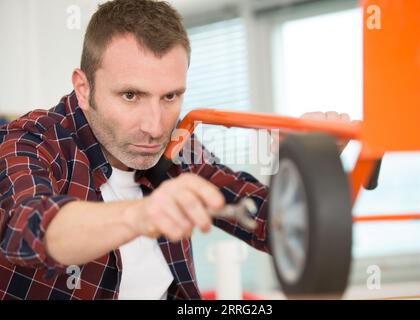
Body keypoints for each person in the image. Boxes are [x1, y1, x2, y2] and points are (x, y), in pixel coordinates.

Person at [0, 0, 351, 300]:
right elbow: (31, 229)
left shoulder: (178, 146)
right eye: (130, 95)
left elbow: (267, 225)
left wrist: (316, 173)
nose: (155, 127)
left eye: (170, 96)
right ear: (83, 87)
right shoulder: (29, 139)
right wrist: (141, 215)